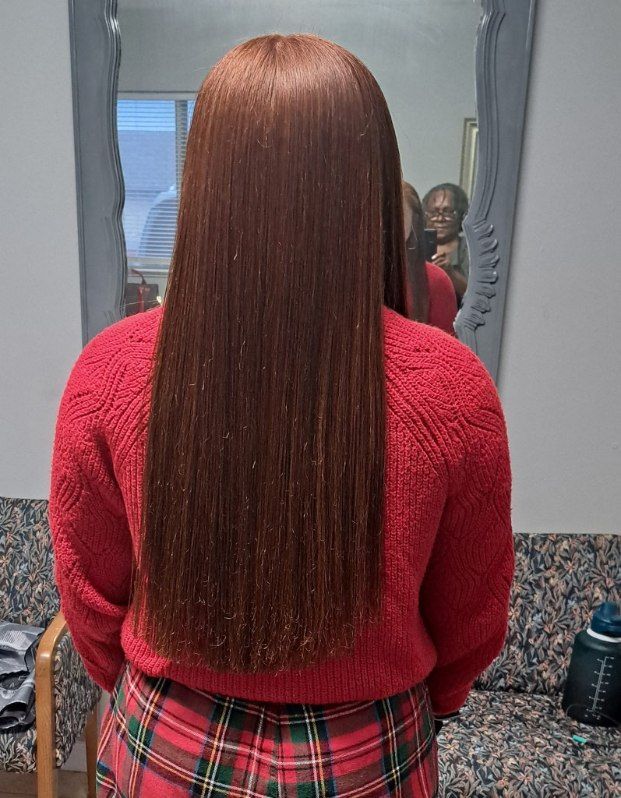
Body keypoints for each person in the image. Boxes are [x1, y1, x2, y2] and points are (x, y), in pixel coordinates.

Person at [50, 34, 513, 797]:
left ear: (206, 185)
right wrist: (408, 703)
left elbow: (92, 602)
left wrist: (159, 689)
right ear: (368, 190)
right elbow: (471, 619)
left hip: (169, 736)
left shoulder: (110, 372)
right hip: (369, 746)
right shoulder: (449, 388)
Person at [402, 181, 458, 334]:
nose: (385, 223)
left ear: (414, 220)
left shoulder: (435, 280)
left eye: (397, 214)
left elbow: (443, 351)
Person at [422, 183, 470, 302]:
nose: (440, 219)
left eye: (448, 212)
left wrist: (451, 274)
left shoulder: (469, 249)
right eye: (433, 213)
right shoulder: (414, 245)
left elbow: (477, 295)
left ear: (461, 215)